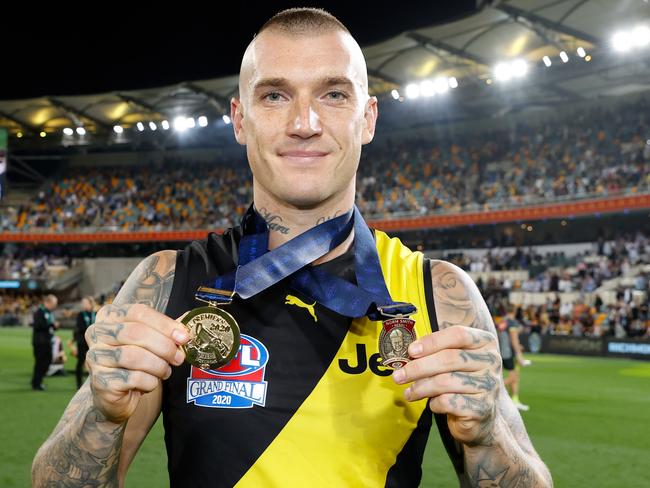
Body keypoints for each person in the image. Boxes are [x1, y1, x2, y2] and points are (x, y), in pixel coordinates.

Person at [32, 8, 552, 487]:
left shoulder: (437, 293)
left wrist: (489, 436)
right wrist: (101, 414)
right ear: (240, 119)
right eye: (275, 95)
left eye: (333, 94)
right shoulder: (167, 282)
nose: (305, 124)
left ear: (368, 118)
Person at [498, 307, 531, 411]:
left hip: (499, 351)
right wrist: (519, 356)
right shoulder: (512, 322)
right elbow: (514, 340)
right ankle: (494, 391)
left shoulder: (502, 322)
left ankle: (514, 401)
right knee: (514, 377)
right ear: (514, 312)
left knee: (509, 376)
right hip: (507, 353)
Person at [30, 294, 59, 391]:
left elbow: (49, 326)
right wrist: (51, 324)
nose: (55, 306)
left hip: (47, 341)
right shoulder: (39, 312)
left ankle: (37, 380)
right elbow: (38, 326)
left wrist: (55, 326)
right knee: (40, 363)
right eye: (54, 303)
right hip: (40, 341)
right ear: (48, 302)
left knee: (47, 361)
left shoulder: (49, 312)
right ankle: (36, 384)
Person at [74, 296, 96, 389]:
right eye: (83, 303)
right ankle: (79, 383)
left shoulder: (95, 314)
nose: (83, 305)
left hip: (93, 342)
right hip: (82, 342)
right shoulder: (80, 315)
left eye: (85, 303)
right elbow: (80, 327)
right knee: (80, 361)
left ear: (91, 303)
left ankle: (94, 382)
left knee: (94, 363)